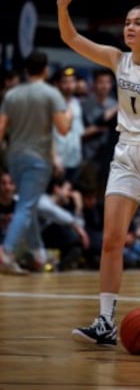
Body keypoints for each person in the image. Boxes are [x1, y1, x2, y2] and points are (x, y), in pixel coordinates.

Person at [57, 0, 140, 346]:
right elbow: (72, 40)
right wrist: (63, 9)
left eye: (137, 23)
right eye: (127, 22)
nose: (129, 27)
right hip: (127, 152)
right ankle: (104, 321)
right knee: (112, 240)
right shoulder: (117, 59)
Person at [0, 50, 73, 275]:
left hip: (13, 157)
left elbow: (1, 130)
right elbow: (63, 129)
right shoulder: (52, 94)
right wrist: (68, 115)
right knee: (26, 206)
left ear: (25, 70)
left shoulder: (11, 95)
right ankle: (7, 251)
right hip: (38, 159)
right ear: (45, 69)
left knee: (26, 204)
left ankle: (38, 253)